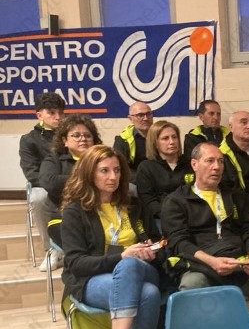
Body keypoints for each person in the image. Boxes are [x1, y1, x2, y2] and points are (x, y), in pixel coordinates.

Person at [60, 144, 171, 329]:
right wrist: (122, 256)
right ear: (89, 173)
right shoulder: (75, 212)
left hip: (143, 270)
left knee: (132, 266)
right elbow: (76, 263)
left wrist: (151, 249)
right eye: (104, 171)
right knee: (147, 293)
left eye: (117, 170)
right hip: (94, 280)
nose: (113, 177)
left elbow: (157, 241)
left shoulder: (133, 205)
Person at [161, 142, 249, 329]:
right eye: (210, 161)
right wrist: (212, 262)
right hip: (204, 268)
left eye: (221, 162)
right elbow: (180, 243)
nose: (217, 167)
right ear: (194, 164)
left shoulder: (235, 195)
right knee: (191, 284)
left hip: (241, 266)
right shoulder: (176, 201)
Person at [40, 114, 103, 254]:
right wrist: (87, 177)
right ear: (65, 140)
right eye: (76, 135)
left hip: (99, 213)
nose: (83, 139)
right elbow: (50, 182)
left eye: (88, 135)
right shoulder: (55, 159)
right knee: (77, 243)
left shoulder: (102, 158)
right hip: (62, 216)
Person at [19, 92, 65, 270]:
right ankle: (52, 249)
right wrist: (56, 185)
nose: (58, 117)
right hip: (45, 185)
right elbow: (31, 173)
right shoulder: (29, 140)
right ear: (39, 115)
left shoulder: (73, 133)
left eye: (60, 112)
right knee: (39, 198)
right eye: (51, 113)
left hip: (72, 182)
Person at [135, 120, 193, 222]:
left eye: (174, 137)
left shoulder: (191, 164)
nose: (172, 142)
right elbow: (148, 201)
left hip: (191, 216)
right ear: (155, 143)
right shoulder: (146, 167)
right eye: (165, 138)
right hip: (161, 218)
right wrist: (171, 215)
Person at [113, 101, 153, 179]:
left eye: (148, 114)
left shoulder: (161, 135)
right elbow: (120, 167)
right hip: (135, 180)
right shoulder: (123, 140)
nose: (146, 118)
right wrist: (143, 179)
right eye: (140, 115)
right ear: (130, 118)